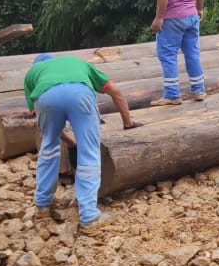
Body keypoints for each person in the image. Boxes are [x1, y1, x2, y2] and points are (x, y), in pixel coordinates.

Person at [24, 53, 137, 233]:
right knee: (89, 151)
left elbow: (49, 127)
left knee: (48, 148)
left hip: (46, 98)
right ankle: (89, 216)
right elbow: (115, 92)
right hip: (80, 94)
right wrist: (128, 123)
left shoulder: (32, 74)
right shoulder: (77, 61)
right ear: (54, 60)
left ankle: (42, 206)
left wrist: (70, 142)